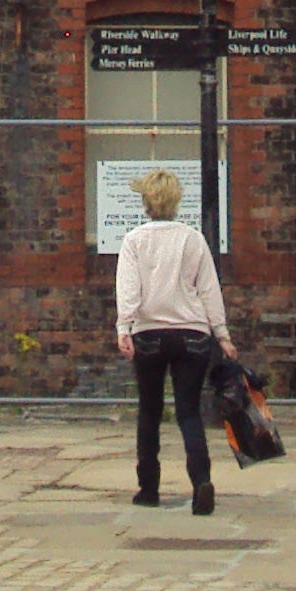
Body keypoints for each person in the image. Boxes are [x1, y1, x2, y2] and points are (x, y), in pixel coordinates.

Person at [113, 168, 230, 515]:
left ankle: (148, 488)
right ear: (176, 201)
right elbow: (209, 289)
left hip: (148, 332)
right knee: (189, 411)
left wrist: (124, 327)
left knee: (149, 411)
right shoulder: (193, 239)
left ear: (146, 202)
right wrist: (222, 334)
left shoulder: (134, 240)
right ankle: (201, 481)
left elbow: (129, 289)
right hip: (193, 333)